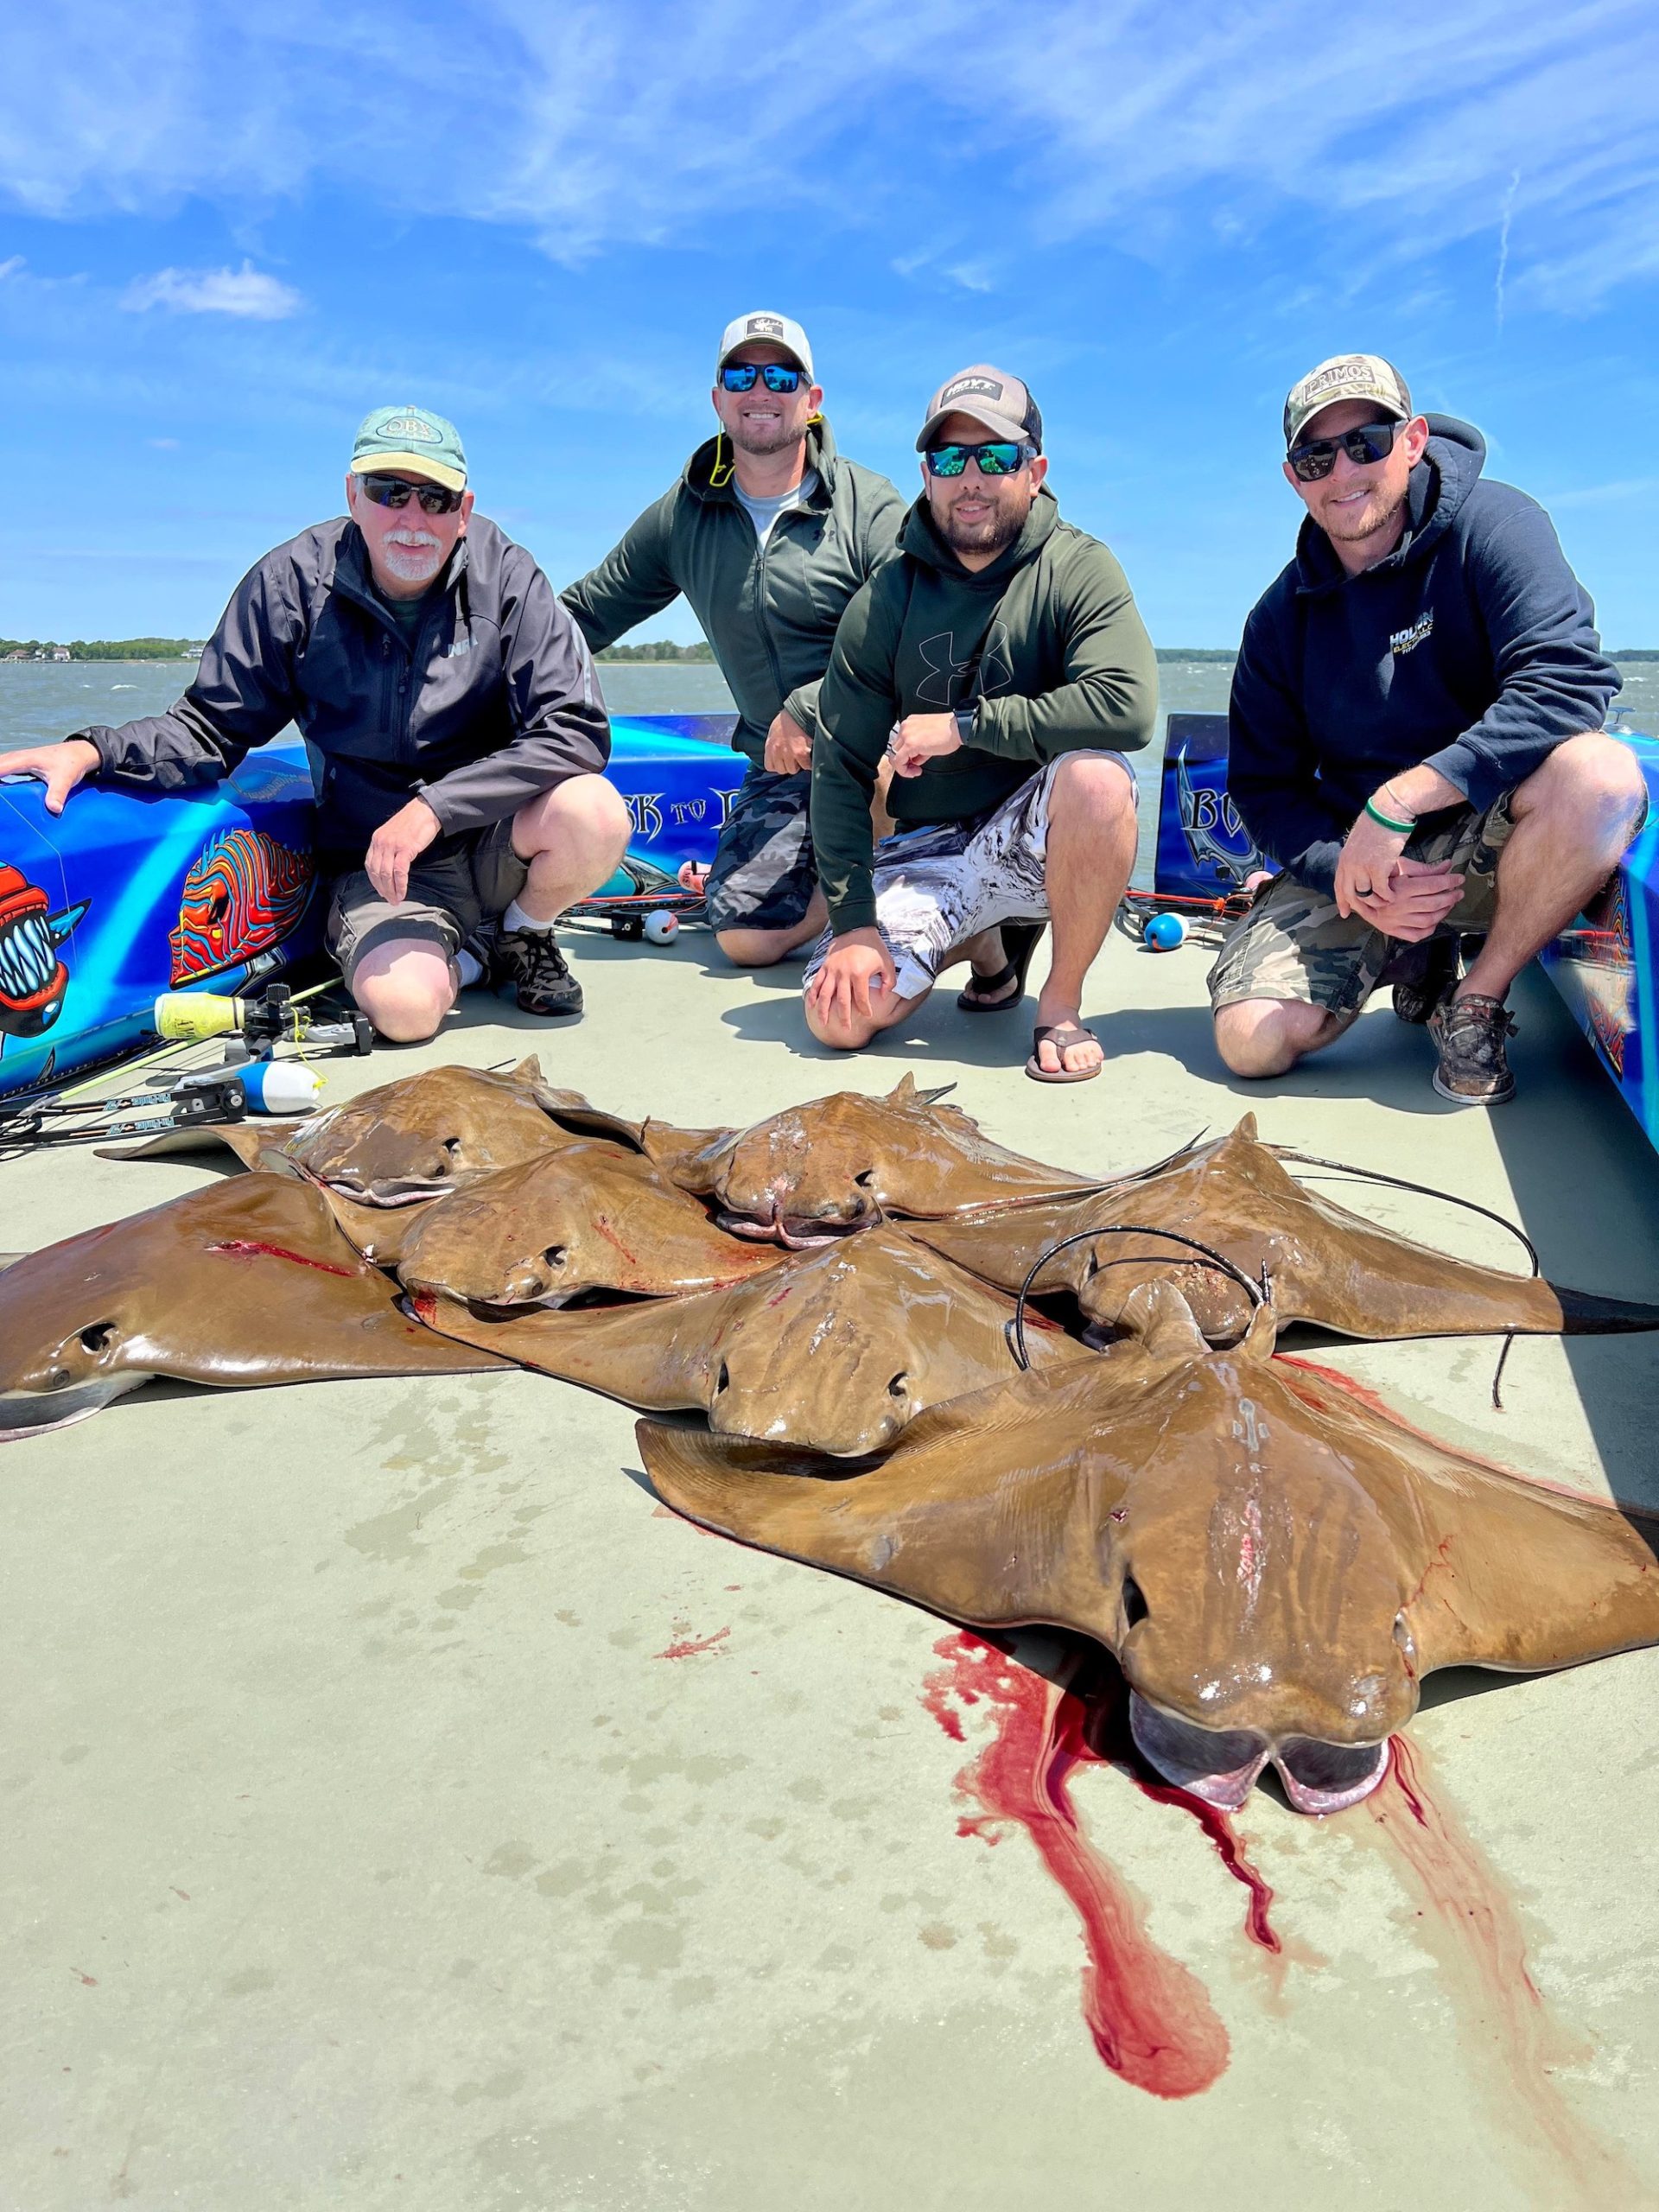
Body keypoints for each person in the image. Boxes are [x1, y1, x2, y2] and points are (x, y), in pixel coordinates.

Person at [4, 406, 629, 1041]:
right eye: (390, 492)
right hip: (382, 866)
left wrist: (435, 808)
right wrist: (93, 750)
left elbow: (575, 729)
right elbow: (208, 729)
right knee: (406, 1012)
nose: (413, 519)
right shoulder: (289, 585)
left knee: (595, 811)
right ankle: (477, 953)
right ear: (353, 495)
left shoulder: (511, 577)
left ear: (463, 511)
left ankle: (525, 930)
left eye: (436, 499)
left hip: (495, 839)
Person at [1211, 353, 1645, 1105]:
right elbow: (1264, 788)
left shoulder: (1498, 525)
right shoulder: (1278, 620)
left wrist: (1399, 801)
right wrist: (1346, 867)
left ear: (1412, 441)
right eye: (1316, 457)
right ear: (1294, 480)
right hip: (1362, 861)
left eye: (1366, 442)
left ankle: (1477, 996)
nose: (1343, 471)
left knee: (1601, 778)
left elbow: (1567, 684)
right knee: (1251, 1043)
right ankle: (1414, 955)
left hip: (1495, 833)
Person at [802, 365, 1157, 1081]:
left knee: (1098, 779)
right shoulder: (887, 594)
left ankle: (1060, 1001)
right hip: (930, 845)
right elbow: (839, 770)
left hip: (1034, 847)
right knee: (838, 1020)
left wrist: (964, 727)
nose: (971, 478)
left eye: (995, 457)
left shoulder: (1078, 566)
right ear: (927, 475)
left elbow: (1128, 704)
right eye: (949, 459)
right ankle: (984, 943)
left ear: (1035, 471)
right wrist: (854, 927)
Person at [562, 312, 906, 966]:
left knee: (889, 775)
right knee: (745, 939)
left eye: (781, 376)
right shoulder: (683, 514)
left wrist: (810, 706)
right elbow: (585, 613)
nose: (761, 390)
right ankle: (860, 896)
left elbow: (910, 635)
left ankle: (910, 902)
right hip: (783, 765)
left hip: (877, 740)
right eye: (741, 376)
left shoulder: (868, 504)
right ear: (718, 398)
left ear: (811, 399)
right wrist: (479, 664)